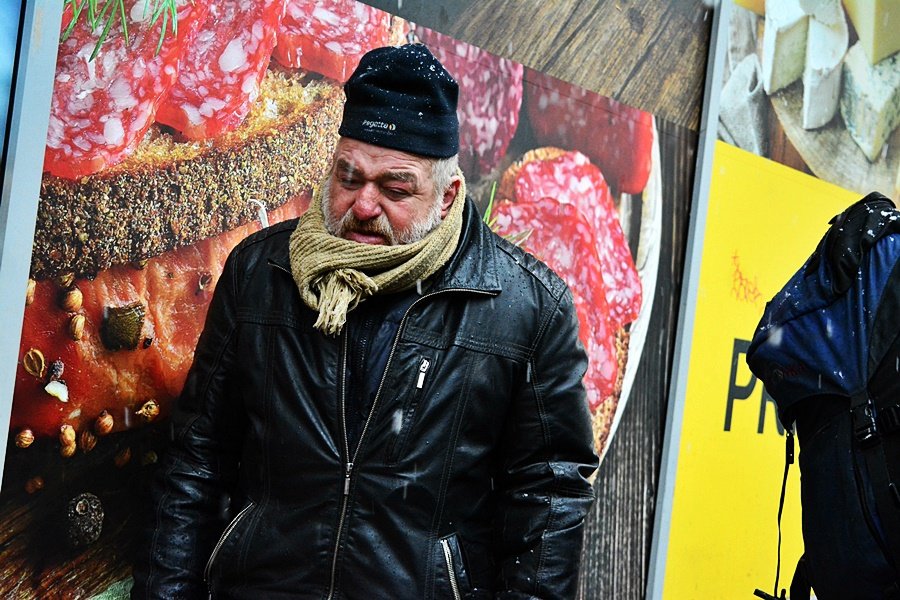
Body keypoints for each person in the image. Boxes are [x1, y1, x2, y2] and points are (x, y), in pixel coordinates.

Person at [131, 43, 598, 600]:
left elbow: (549, 497)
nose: (364, 205)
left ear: (448, 196)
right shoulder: (262, 272)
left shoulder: (528, 308)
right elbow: (196, 459)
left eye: (395, 188)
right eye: (349, 177)